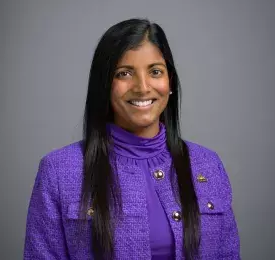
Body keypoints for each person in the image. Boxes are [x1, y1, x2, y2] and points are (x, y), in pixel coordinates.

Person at [23, 18, 240, 260]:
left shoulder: (207, 164)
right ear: (104, 84)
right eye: (124, 73)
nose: (142, 87)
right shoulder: (59, 171)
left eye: (155, 71)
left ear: (170, 83)